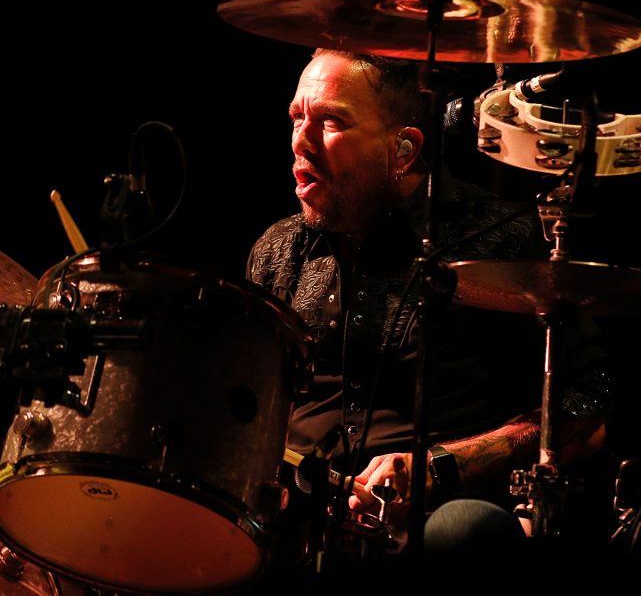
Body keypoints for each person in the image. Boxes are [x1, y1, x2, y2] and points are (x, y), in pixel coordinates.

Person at [245, 48, 614, 588]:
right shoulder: (278, 250)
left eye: (331, 121)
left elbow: (584, 411)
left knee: (462, 530)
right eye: (296, 118)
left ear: (403, 149)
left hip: (434, 526)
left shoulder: (495, 241)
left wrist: (439, 467)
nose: (301, 140)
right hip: (295, 524)